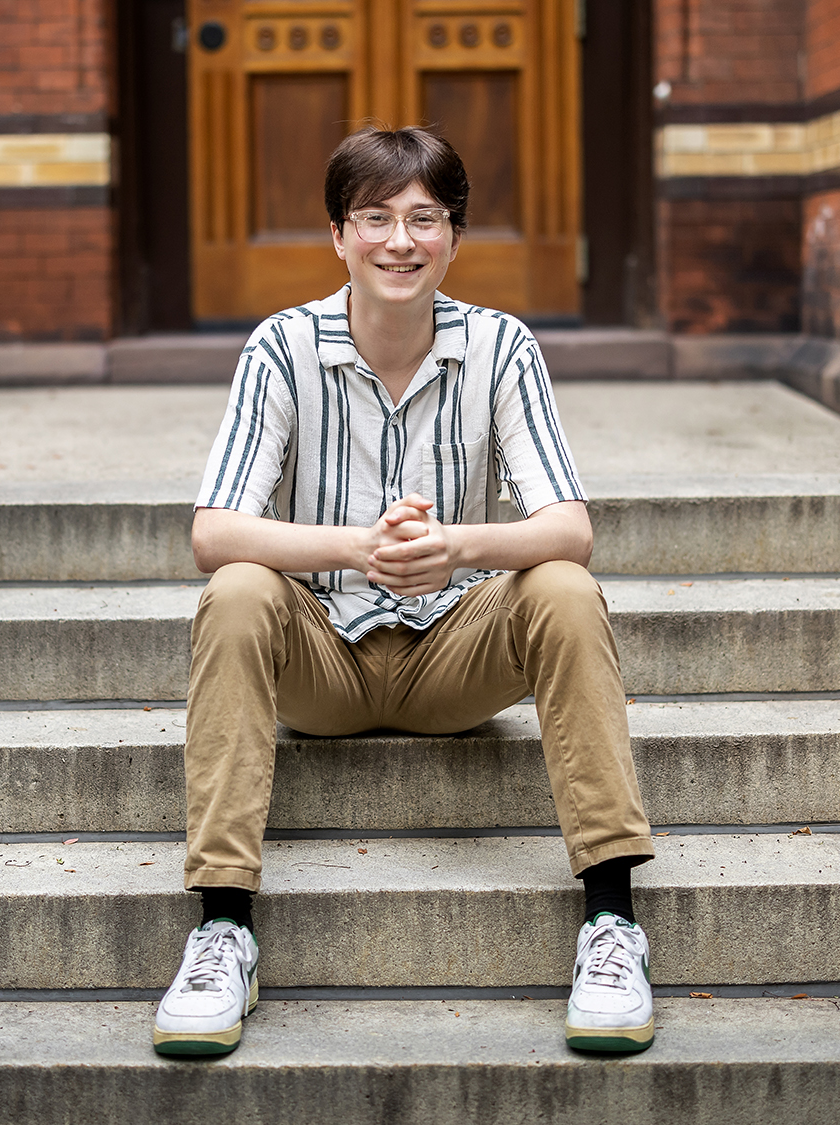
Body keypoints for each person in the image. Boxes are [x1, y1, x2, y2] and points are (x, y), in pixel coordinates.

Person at [151, 126, 655, 1058]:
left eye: (425, 219)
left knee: (565, 587)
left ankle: (612, 922)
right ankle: (223, 927)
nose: (400, 241)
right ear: (338, 235)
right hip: (324, 663)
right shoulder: (282, 347)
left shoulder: (501, 347)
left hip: (448, 660)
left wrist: (457, 547)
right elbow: (211, 531)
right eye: (375, 218)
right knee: (237, 589)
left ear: (454, 239)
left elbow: (570, 525)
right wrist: (360, 549)